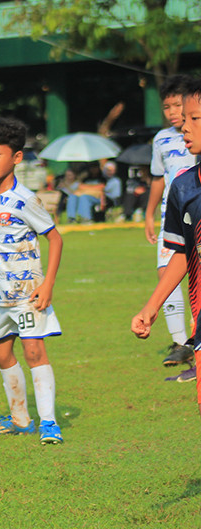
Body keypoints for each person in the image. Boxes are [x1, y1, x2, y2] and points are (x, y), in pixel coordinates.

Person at [0, 117, 65, 445]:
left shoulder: (25, 199)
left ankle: (48, 422)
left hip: (27, 293)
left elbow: (56, 239)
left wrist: (47, 284)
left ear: (16, 158)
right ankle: (21, 418)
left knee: (34, 350)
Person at [132, 78, 201, 414]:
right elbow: (183, 254)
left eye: (194, 118)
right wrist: (150, 307)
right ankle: (183, 346)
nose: (183, 125)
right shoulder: (185, 187)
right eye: (180, 116)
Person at [144, 74, 199, 376]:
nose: (174, 113)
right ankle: (182, 345)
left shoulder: (196, 138)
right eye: (167, 107)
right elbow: (157, 179)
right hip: (173, 220)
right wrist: (150, 214)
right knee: (168, 275)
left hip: (196, 217)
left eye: (179, 105)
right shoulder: (162, 140)